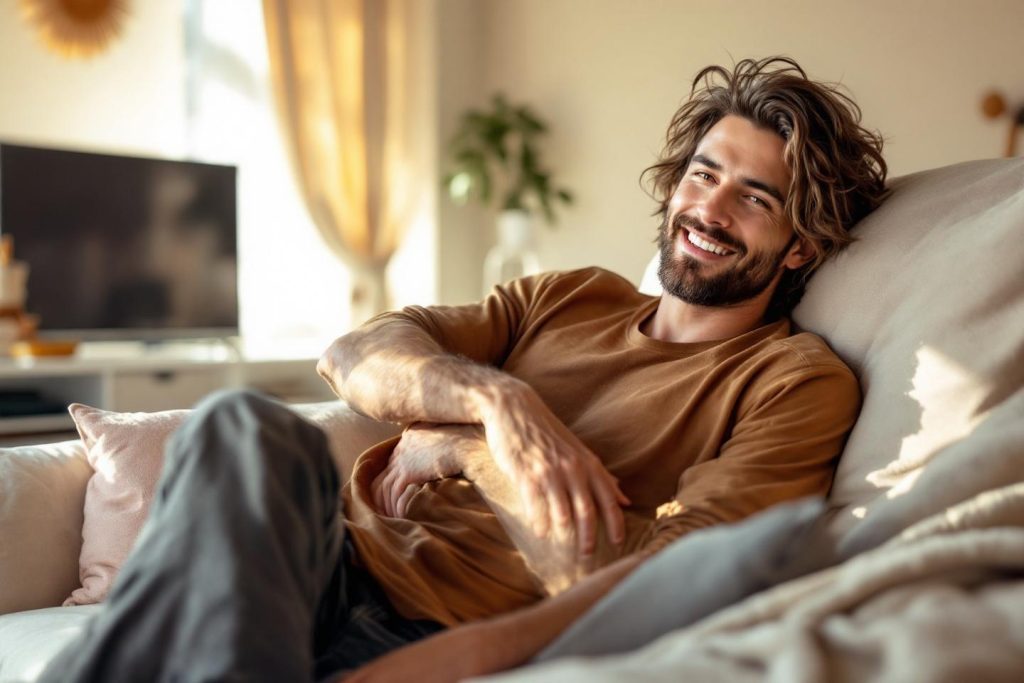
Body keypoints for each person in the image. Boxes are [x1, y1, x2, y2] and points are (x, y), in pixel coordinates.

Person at [39, 56, 887, 683]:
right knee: (240, 424)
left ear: (802, 241)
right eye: (704, 174)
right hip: (316, 561)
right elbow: (355, 353)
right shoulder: (570, 296)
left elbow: (657, 585)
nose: (710, 208)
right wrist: (495, 395)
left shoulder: (795, 382)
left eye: (754, 196)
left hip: (422, 630)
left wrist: (463, 449)